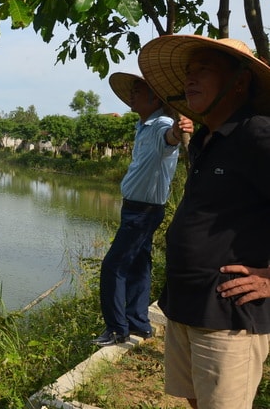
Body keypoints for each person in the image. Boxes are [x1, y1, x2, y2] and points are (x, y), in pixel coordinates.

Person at [138, 34, 270, 409]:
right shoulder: (206, 140)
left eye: (204, 71)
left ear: (238, 82)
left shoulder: (256, 134)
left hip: (228, 315)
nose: (190, 80)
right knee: (195, 401)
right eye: (189, 72)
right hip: (186, 305)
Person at [92, 73, 193, 347]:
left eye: (138, 90)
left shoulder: (160, 124)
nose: (132, 96)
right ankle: (139, 323)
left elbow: (171, 138)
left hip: (143, 211)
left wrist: (178, 129)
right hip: (136, 208)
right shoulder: (143, 125)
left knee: (113, 266)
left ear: (154, 97)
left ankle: (116, 329)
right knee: (138, 266)